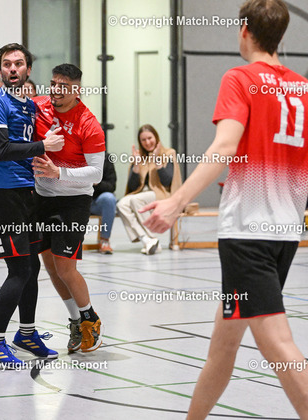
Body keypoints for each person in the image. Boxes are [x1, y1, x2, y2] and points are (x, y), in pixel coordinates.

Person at [142, 0, 308, 417]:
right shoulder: (302, 89)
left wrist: (176, 202)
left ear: (244, 31)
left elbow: (224, 147)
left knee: (280, 347)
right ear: (281, 36)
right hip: (285, 233)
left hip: (248, 235)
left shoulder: (239, 78)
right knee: (224, 347)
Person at [0, 43, 64, 367]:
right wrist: (43, 145)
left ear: (28, 69)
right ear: (1, 69)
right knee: (19, 270)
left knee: (33, 268)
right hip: (3, 197)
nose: (12, 68)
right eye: (6, 64)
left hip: (28, 194)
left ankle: (26, 334)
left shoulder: (28, 105)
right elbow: (1, 149)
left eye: (18, 63)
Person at [32, 64, 106, 353]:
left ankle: (90, 318)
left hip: (73, 201)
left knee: (65, 266)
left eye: (63, 86)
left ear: (77, 90)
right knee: (51, 266)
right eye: (53, 84)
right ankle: (75, 320)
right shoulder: (40, 106)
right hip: (42, 197)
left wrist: (59, 172)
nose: (56, 91)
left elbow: (96, 173)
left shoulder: (88, 124)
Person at [116, 124, 181, 255]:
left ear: (156, 137)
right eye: (143, 140)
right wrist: (136, 165)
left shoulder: (168, 153)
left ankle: (151, 238)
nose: (147, 142)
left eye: (150, 138)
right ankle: (147, 240)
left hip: (162, 194)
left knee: (136, 200)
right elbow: (133, 187)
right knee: (121, 204)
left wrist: (157, 161)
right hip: (142, 194)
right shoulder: (139, 156)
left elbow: (167, 181)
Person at [90, 152, 117, 254]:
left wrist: (97, 183)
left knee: (109, 198)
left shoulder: (106, 158)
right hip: (77, 199)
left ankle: (104, 240)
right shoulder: (76, 154)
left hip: (95, 202)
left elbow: (112, 186)